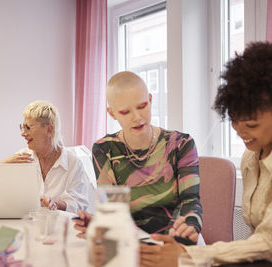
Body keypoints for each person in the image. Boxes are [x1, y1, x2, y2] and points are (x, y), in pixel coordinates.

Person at [141, 42, 272, 267]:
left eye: (251, 125)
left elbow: (271, 244)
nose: (241, 133)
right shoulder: (251, 158)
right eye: (234, 122)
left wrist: (188, 256)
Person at [74, 71, 203, 245]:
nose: (137, 117)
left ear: (150, 100)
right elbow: (112, 210)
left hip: (176, 238)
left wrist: (189, 224)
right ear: (112, 113)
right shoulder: (105, 149)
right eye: (125, 112)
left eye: (142, 106)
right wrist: (101, 226)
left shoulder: (180, 143)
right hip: (131, 240)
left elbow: (191, 200)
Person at [2, 101, 91, 213]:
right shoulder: (21, 158)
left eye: (28, 127)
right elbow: (2, 196)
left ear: (49, 130)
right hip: (26, 225)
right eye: (22, 127)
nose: (23, 133)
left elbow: (80, 204)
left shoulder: (73, 163)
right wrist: (3, 166)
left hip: (59, 227)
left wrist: (55, 204)